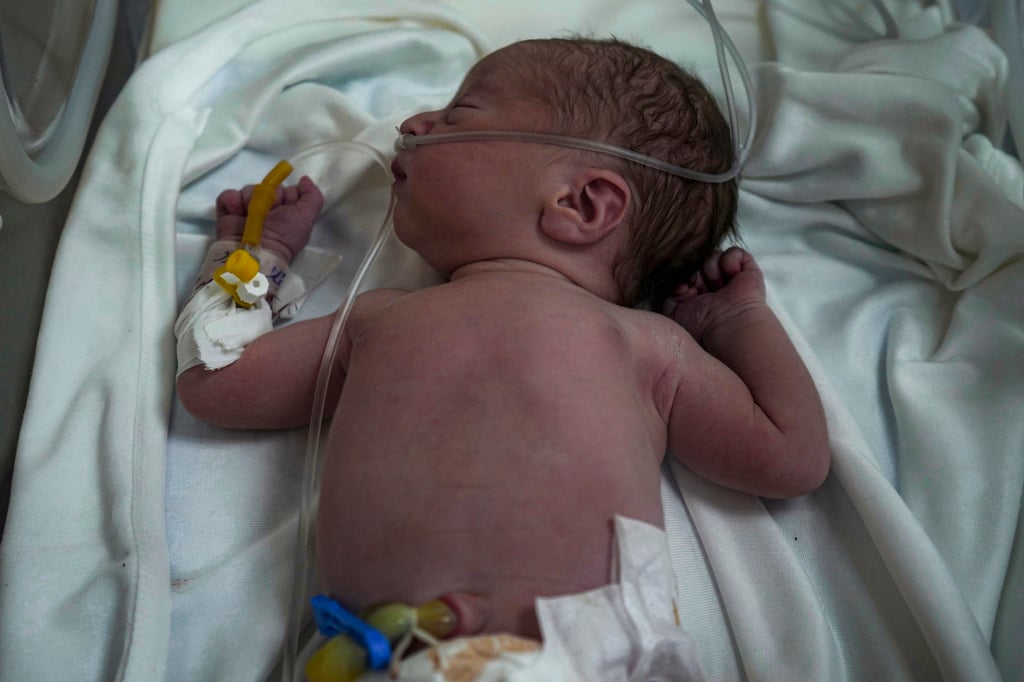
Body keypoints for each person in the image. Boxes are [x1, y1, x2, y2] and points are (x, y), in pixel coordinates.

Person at [175, 36, 829, 667]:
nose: (413, 122)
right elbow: (216, 385)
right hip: (389, 659)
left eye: (459, 113)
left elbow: (789, 458)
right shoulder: (376, 317)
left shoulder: (646, 346)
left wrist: (739, 320)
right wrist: (255, 261)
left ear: (580, 203)